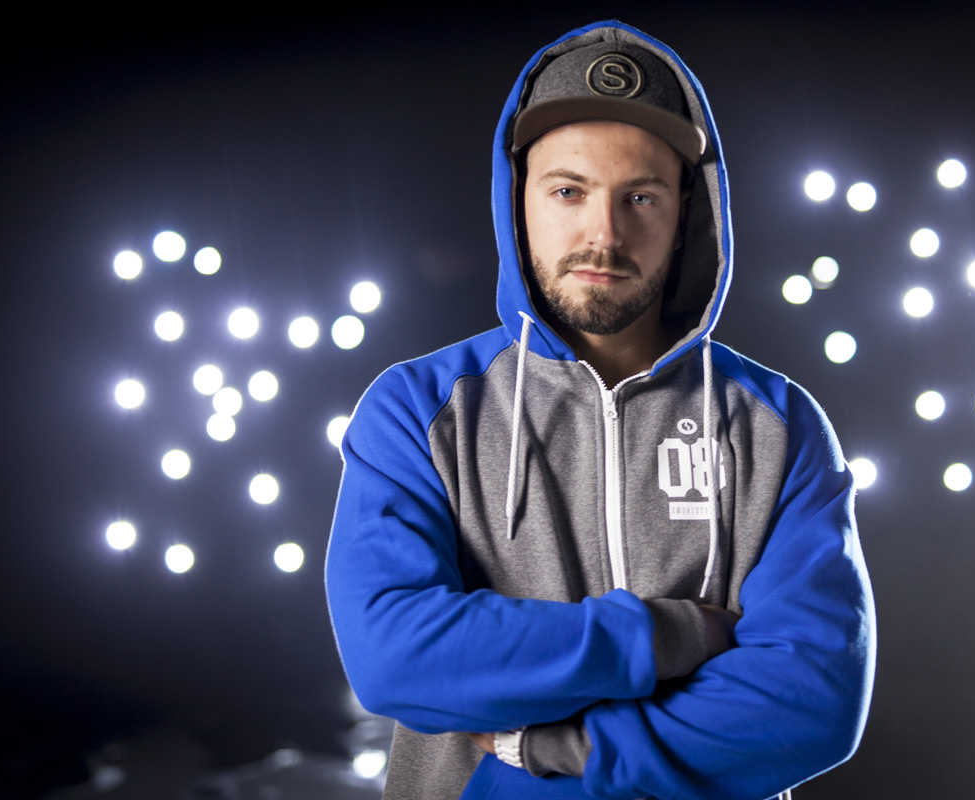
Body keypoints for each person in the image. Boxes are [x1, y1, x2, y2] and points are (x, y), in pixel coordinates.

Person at [326, 20, 876, 800]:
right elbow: (394, 656)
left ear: (684, 216)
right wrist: (668, 635)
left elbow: (812, 704)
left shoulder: (775, 426)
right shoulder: (417, 411)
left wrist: (560, 745)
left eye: (640, 197)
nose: (605, 234)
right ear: (518, 202)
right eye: (568, 191)